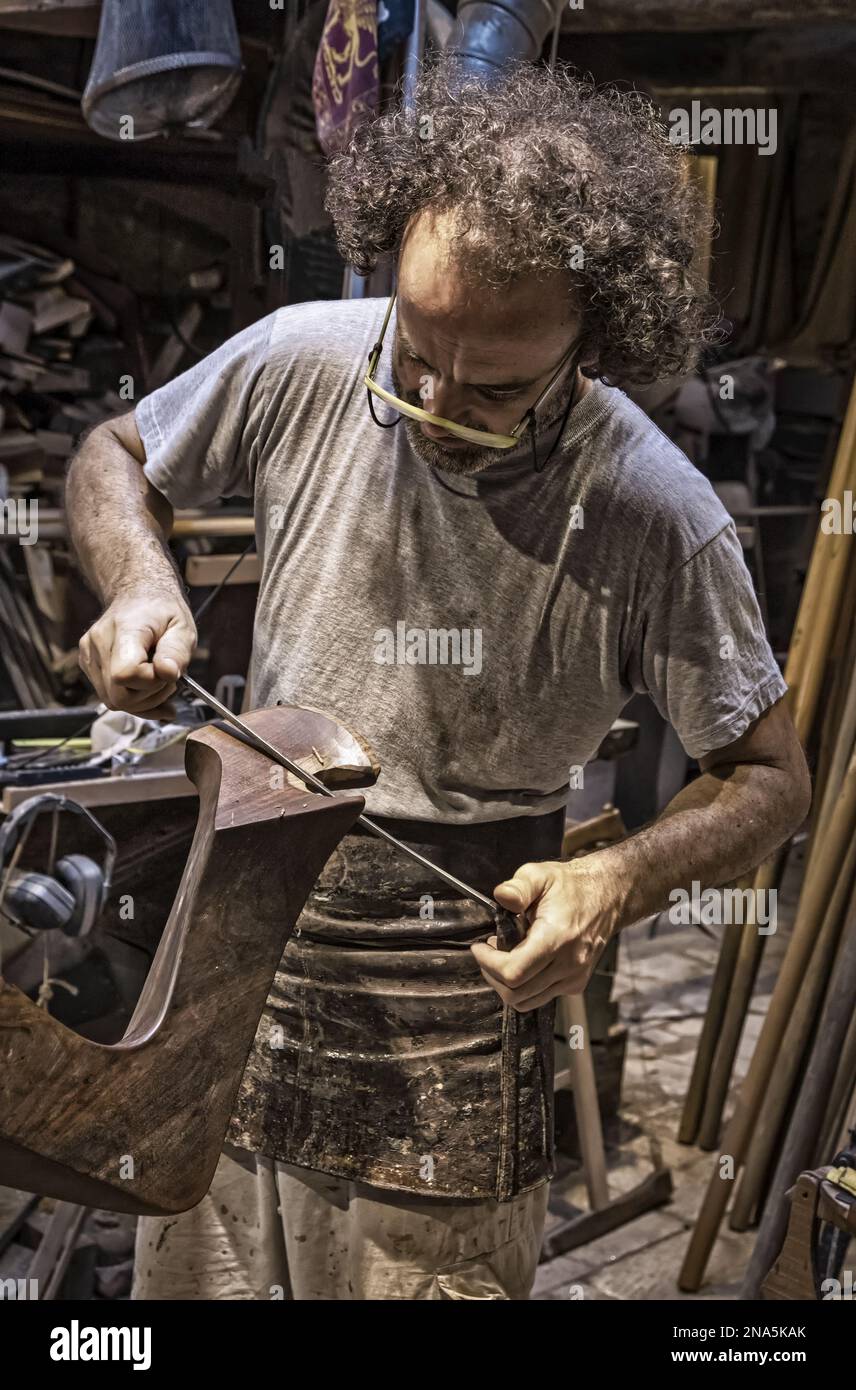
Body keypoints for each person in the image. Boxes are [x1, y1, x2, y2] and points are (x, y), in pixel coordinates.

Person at [66, 60, 810, 1301]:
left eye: (496, 388)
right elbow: (110, 450)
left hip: (457, 994)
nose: (429, 402)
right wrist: (140, 583)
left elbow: (770, 775)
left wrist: (613, 878)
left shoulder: (653, 514)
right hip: (240, 936)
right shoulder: (304, 358)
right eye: (415, 349)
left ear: (595, 340)